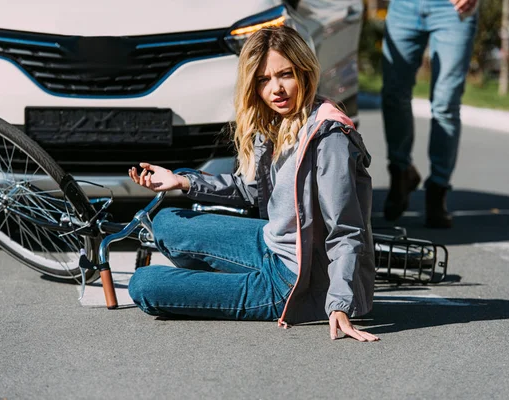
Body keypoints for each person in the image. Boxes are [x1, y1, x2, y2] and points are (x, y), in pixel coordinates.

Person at [127, 26, 379, 342]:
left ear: (304, 70)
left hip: (293, 280)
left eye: (285, 74)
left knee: (144, 286)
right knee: (166, 222)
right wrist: (183, 181)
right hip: (270, 242)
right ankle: (220, 283)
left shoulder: (327, 137)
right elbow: (254, 190)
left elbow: (345, 229)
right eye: (263, 80)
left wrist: (339, 303)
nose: (277, 89)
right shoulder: (276, 121)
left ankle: (225, 288)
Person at [381, 0, 479, 228]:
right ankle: (400, 171)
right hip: (403, 6)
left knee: (446, 103)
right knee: (393, 95)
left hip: (452, 7)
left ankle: (437, 189)